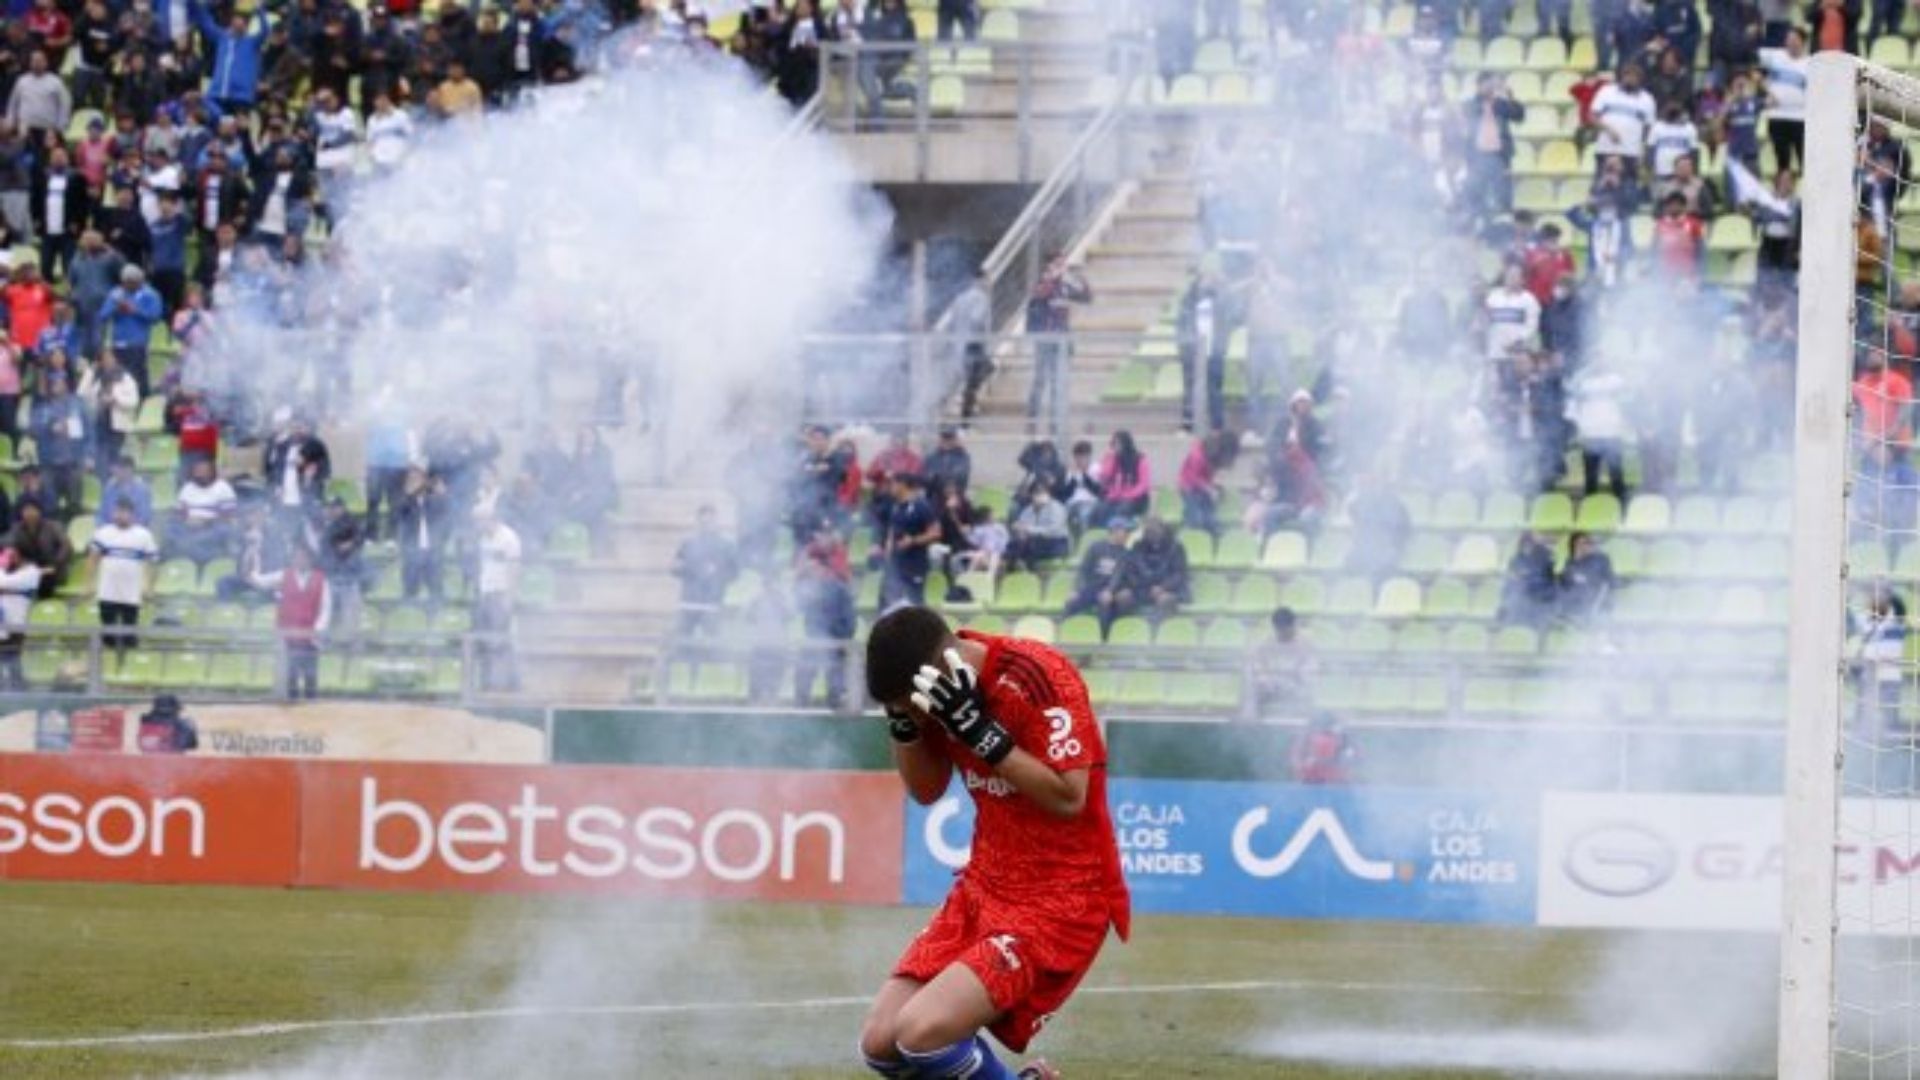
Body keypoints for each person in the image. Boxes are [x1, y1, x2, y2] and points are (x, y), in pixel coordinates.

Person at [858, 605, 1128, 1080]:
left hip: (1060, 897)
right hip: (985, 887)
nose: (909, 713)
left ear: (937, 670)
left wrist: (982, 733)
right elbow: (925, 791)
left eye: (907, 704)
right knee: (881, 1045)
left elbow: (1070, 797)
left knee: (921, 1034)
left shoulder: (1037, 675)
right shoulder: (931, 696)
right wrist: (905, 724)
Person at [1023, 254, 1092, 433]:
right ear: (1049, 265)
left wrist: (1080, 277)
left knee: (1057, 383)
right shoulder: (1043, 284)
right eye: (1058, 263)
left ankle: (1054, 422)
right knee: (1040, 381)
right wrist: (1051, 278)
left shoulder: (1065, 286)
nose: (1062, 267)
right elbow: (1040, 295)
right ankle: (1032, 419)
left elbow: (1086, 298)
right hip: (1045, 341)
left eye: (1064, 263)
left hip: (1061, 342)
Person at [794, 517, 855, 709]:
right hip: (814, 634)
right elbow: (799, 598)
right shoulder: (808, 557)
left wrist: (841, 636)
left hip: (836, 634)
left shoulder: (839, 578)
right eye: (820, 533)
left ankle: (835, 703)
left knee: (835, 678)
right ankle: (801, 704)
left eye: (826, 533)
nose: (822, 537)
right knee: (806, 669)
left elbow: (848, 617)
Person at [254, 543, 329, 701]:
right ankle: (292, 704)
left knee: (310, 674)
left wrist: (318, 629)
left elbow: (325, 607)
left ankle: (311, 704)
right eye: (297, 557)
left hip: (310, 635)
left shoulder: (321, 579)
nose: (300, 560)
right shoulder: (283, 575)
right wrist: (253, 561)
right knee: (291, 674)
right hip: (287, 633)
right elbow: (260, 581)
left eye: (303, 557)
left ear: (310, 559)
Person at [90, 497, 157, 655]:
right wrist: (89, 584)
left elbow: (152, 563)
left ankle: (128, 667)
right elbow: (92, 559)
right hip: (107, 593)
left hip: (131, 595)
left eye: (125, 512)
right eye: (118, 511)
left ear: (133, 514)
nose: (121, 515)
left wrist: (149, 587)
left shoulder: (144, 535)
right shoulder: (102, 533)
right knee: (108, 635)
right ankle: (107, 668)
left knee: (129, 636)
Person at [673, 505, 739, 639]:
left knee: (712, 643)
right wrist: (688, 569)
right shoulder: (688, 543)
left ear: (716, 521)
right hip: (689, 602)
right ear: (698, 522)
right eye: (703, 521)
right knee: (684, 640)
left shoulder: (726, 545)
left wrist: (718, 576)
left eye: (710, 521)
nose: (706, 524)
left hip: (712, 603)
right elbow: (675, 568)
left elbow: (735, 572)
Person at [881, 473, 939, 610]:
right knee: (891, 603)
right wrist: (888, 555)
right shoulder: (896, 507)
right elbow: (892, 532)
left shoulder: (921, 506)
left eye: (893, 484)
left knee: (915, 603)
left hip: (915, 564)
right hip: (896, 564)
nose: (891, 488)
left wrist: (913, 541)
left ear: (903, 485)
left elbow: (936, 532)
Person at [167, 458, 238, 565]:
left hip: (212, 527)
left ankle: (195, 553)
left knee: (222, 529)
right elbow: (179, 514)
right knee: (170, 527)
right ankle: (187, 553)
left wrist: (205, 521)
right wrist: (186, 521)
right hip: (189, 526)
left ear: (211, 471)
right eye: (196, 470)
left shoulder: (223, 488)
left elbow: (228, 517)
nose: (198, 473)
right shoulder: (187, 488)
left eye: (202, 470)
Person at [951, 269, 993, 420]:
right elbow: (977, 319)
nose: (989, 283)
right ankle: (967, 414)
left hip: (961, 343)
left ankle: (968, 407)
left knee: (971, 376)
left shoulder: (960, 298)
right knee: (983, 371)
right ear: (980, 280)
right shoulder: (981, 298)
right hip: (974, 343)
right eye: (987, 280)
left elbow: (953, 321)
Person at [1177, 431, 1236, 536]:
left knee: (1210, 519)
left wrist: (1215, 486)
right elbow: (1192, 478)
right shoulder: (1196, 456)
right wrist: (1209, 489)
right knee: (1196, 519)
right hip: (1188, 487)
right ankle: (1187, 537)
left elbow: (1210, 473)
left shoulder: (1215, 452)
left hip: (1204, 487)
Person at [1089, 430, 1150, 528]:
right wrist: (1109, 458)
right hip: (1117, 496)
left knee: (1121, 510)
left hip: (1136, 499)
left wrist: (1128, 495)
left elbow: (1143, 485)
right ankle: (1097, 534)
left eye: (1117, 444)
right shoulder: (1115, 459)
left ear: (1125, 444)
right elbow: (1105, 477)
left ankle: (1117, 536)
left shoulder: (1140, 460)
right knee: (1098, 510)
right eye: (1113, 444)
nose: (1115, 447)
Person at [1496, 531, 1558, 628]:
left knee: (1521, 597)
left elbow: (1548, 581)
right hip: (1519, 600)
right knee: (1512, 597)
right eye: (1525, 544)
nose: (1527, 547)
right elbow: (1508, 583)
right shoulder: (1516, 559)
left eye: (1531, 544)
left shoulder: (1546, 558)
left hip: (1539, 598)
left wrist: (1526, 579)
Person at [0, 548, 40, 688]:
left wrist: (1, 567)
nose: (12, 559)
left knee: (12, 663)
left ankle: (20, 694)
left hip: (16, 627)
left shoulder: (31, 572)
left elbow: (3, 583)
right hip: (3, 625)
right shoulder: (10, 573)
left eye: (15, 556)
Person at [1006, 486, 1071, 569]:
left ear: (1048, 495)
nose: (1039, 497)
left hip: (1055, 542)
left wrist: (1028, 529)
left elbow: (1052, 530)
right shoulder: (1028, 509)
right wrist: (1019, 529)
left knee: (1027, 548)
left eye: (1042, 494)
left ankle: (1027, 573)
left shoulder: (1056, 508)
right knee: (1013, 545)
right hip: (1034, 541)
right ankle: (1012, 572)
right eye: (1036, 494)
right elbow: (1022, 524)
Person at [1558, 532, 1616, 623]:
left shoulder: (1601, 559)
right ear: (1574, 546)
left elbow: (1609, 582)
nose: (1588, 545)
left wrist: (1586, 579)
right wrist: (1577, 558)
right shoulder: (1570, 563)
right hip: (1575, 606)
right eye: (1581, 544)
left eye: (1589, 542)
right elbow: (1565, 584)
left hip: (1597, 602)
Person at [1290, 712, 1357, 784]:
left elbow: (1355, 758)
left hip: (1337, 781)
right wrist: (1304, 766)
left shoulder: (1344, 738)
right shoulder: (1305, 738)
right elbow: (1296, 761)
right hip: (1311, 780)